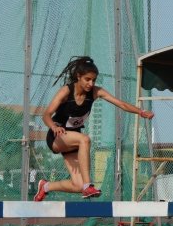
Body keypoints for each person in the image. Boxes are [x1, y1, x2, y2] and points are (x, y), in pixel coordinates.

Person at [34, 56, 154, 200]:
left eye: (94, 80)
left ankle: (46, 186)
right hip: (57, 137)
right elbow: (46, 115)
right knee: (85, 139)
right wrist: (54, 127)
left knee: (76, 185)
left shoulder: (96, 92)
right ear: (78, 77)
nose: (91, 84)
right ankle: (88, 186)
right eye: (87, 79)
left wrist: (140, 112)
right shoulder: (66, 91)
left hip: (73, 140)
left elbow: (120, 104)